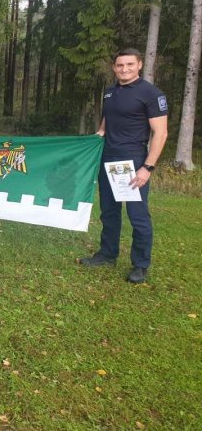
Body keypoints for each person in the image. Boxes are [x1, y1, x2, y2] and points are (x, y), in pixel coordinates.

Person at [79, 48, 168, 284]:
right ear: (114, 67)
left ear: (139, 65)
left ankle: (140, 265)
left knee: (137, 214)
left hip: (134, 160)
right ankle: (107, 254)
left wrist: (147, 168)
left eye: (130, 64)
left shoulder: (151, 94)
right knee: (109, 211)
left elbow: (161, 133)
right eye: (120, 65)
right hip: (108, 158)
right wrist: (100, 132)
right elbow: (110, 115)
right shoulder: (110, 92)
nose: (124, 69)